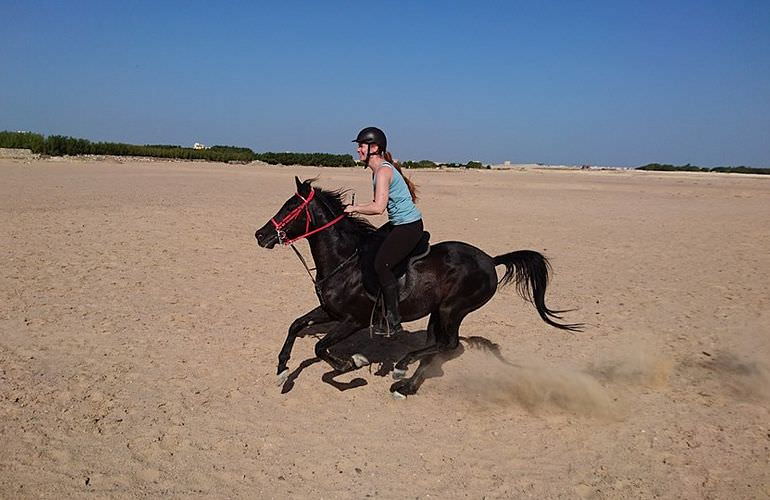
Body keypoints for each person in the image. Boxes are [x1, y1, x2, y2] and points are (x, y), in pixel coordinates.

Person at [344, 127, 423, 335]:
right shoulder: (379, 170)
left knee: (382, 264)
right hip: (398, 223)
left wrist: (354, 208)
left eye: (361, 146)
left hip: (408, 226)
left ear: (374, 148)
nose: (358, 150)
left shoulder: (383, 171)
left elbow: (378, 208)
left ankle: (393, 320)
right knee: (370, 246)